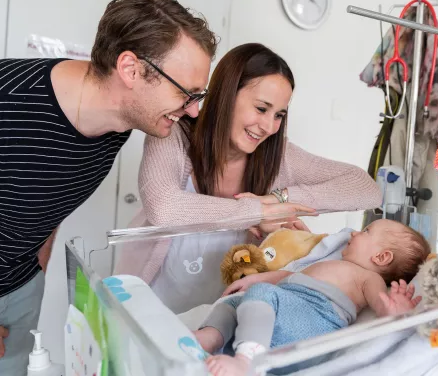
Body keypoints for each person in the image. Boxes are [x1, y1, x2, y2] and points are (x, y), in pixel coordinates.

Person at [0, 0, 219, 376]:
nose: (193, 109)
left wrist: (36, 278)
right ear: (130, 69)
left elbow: (51, 198)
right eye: (186, 93)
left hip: (18, 294)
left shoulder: (118, 124)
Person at [119, 43, 383, 287]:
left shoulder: (277, 156)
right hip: (150, 295)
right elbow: (163, 209)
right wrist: (257, 211)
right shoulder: (174, 135)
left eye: (279, 114)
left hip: (217, 313)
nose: (269, 127)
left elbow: (366, 188)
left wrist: (280, 200)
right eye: (261, 108)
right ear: (226, 95)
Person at [194, 219, 431, 376]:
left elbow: (379, 302)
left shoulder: (368, 277)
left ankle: (245, 362)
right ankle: (210, 338)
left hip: (312, 323)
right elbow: (289, 275)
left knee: (262, 295)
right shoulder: (335, 264)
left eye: (366, 231)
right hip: (284, 309)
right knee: (235, 303)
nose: (356, 233)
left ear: (381, 257)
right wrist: (253, 279)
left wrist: (392, 311)